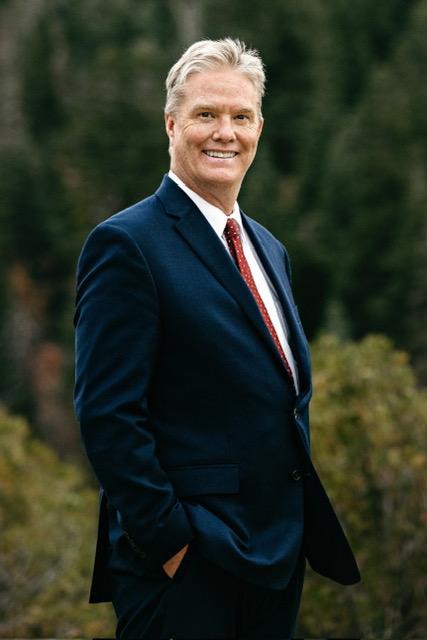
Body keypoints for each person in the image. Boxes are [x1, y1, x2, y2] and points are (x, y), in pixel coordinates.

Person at [74, 38, 360, 640]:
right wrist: (172, 544)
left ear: (259, 128)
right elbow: (108, 414)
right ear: (171, 123)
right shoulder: (126, 244)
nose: (224, 133)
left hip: (274, 559)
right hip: (187, 567)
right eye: (206, 114)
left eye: (241, 116)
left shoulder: (268, 248)